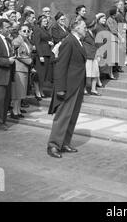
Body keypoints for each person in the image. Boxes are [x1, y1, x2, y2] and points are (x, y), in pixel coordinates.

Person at [47, 18, 88, 159]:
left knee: (72, 116)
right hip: (68, 86)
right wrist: (60, 88)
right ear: (76, 28)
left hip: (77, 84)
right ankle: (53, 145)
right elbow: (60, 66)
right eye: (84, 26)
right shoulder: (69, 41)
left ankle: (64, 143)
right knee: (63, 116)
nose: (86, 29)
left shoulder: (77, 41)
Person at [10, 24, 33, 119]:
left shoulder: (26, 40)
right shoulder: (16, 41)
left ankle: (18, 110)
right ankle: (14, 111)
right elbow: (16, 55)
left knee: (21, 92)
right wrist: (29, 61)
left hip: (24, 68)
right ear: (19, 31)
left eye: (28, 31)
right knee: (17, 92)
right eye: (24, 31)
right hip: (18, 68)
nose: (26, 33)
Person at [34, 15, 54, 99]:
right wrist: (40, 55)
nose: (46, 23)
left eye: (47, 21)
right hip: (42, 54)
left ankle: (41, 90)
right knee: (40, 74)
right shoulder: (38, 29)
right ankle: (37, 91)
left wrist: (49, 43)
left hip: (47, 53)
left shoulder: (45, 30)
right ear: (40, 22)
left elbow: (45, 40)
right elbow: (37, 43)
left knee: (44, 74)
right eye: (44, 21)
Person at [83, 12, 102, 96]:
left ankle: (93, 89)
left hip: (93, 55)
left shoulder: (93, 33)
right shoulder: (85, 33)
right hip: (87, 56)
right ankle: (84, 89)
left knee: (95, 73)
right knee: (87, 73)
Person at [95, 12, 116, 80]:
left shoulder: (106, 26)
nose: (104, 20)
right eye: (103, 18)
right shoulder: (97, 27)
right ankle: (98, 78)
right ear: (98, 19)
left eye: (105, 18)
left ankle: (110, 74)